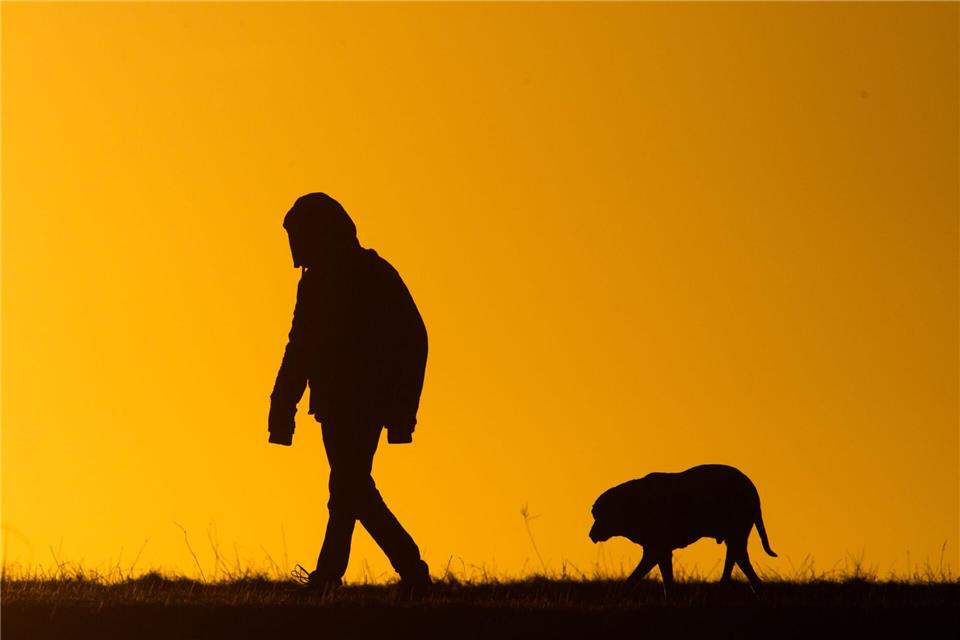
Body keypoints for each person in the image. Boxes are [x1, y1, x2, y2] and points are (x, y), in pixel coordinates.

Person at [268, 192, 431, 594]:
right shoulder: (316, 282)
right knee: (350, 489)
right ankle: (390, 572)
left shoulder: (371, 274)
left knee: (349, 488)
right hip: (334, 406)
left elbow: (413, 340)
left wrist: (401, 411)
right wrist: (282, 407)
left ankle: (378, 572)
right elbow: (301, 346)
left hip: (365, 404)